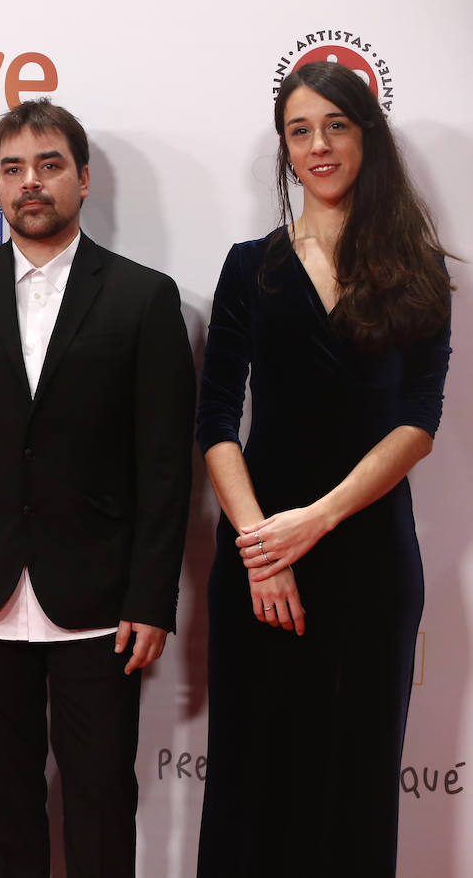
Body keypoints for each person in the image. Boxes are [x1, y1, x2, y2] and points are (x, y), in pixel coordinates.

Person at [0, 99, 196, 878]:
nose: (31, 182)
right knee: (4, 799)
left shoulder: (143, 297)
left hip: (101, 601)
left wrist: (149, 597)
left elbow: (165, 466)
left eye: (50, 165)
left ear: (85, 180)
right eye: (12, 168)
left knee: (100, 799)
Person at [195, 61, 453, 876]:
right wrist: (261, 546)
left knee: (354, 782)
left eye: (335, 126)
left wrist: (317, 519)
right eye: (300, 130)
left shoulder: (416, 268)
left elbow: (419, 422)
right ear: (284, 146)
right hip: (260, 559)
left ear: (366, 135)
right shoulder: (250, 266)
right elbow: (214, 420)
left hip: (368, 558)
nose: (318, 146)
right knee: (253, 777)